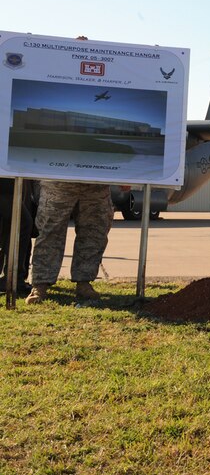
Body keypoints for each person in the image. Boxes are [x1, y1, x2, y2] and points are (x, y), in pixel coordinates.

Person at [25, 36, 113, 305]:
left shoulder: (103, 92)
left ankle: (84, 283)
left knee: (94, 230)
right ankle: (40, 284)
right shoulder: (56, 86)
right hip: (58, 178)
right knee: (49, 229)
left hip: (96, 180)